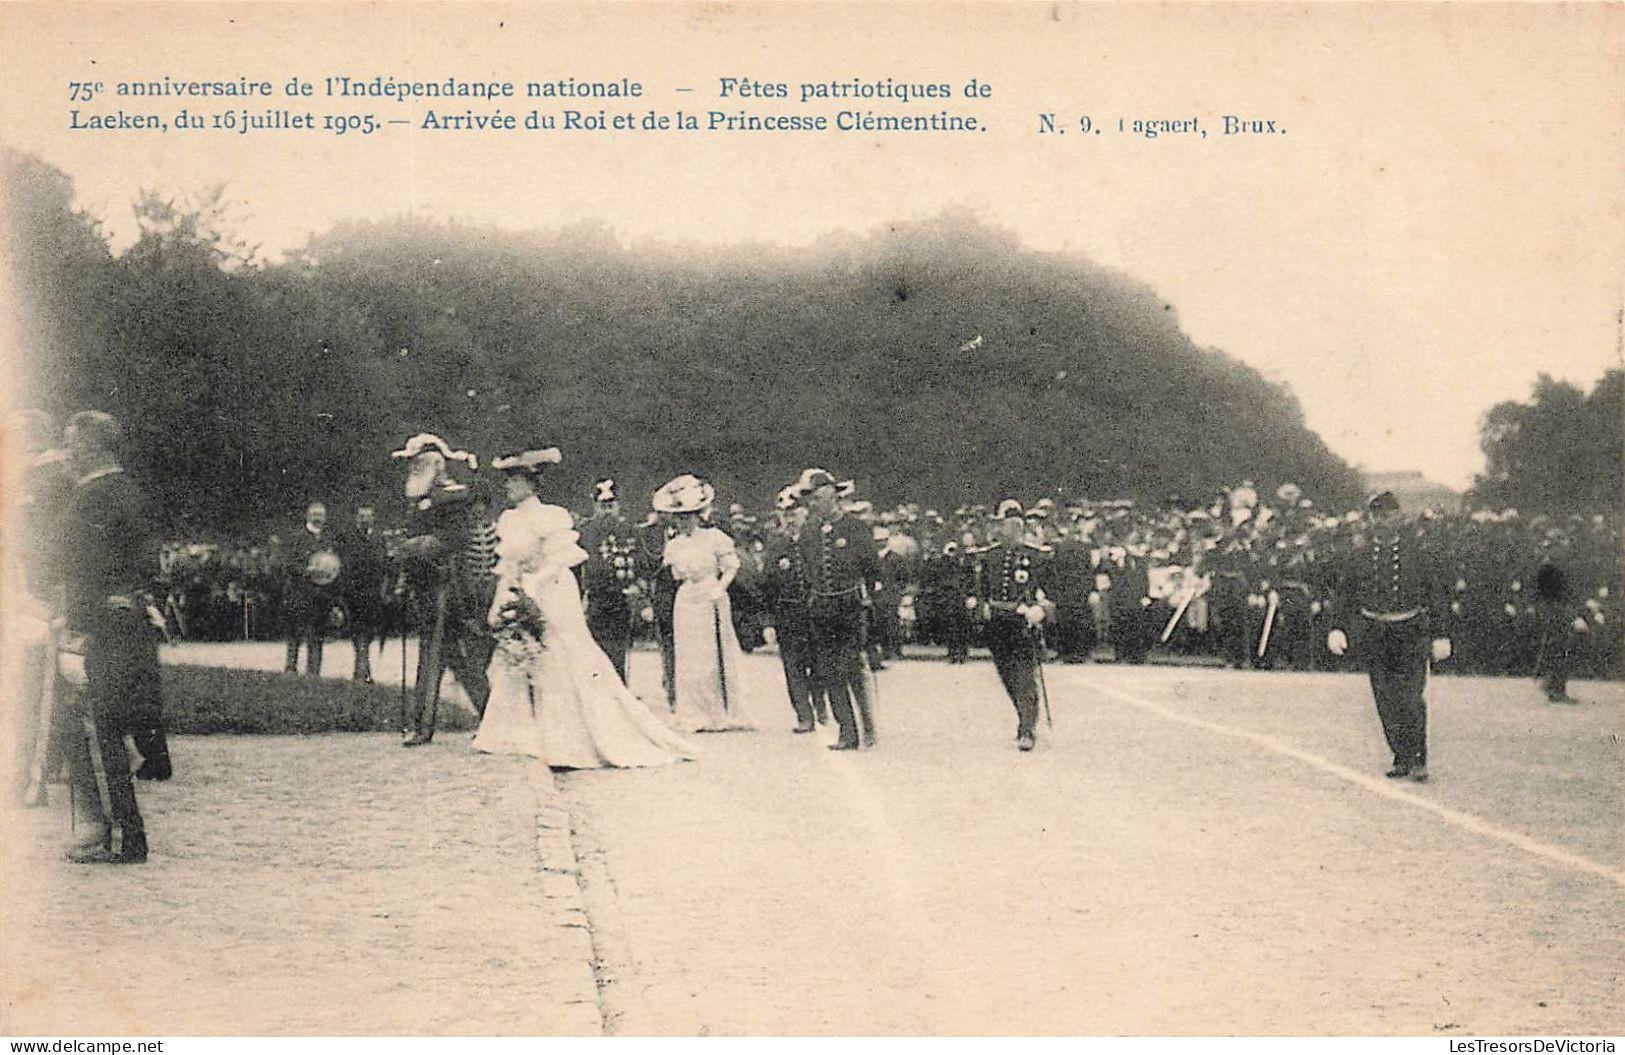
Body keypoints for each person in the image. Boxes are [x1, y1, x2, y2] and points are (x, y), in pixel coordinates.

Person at [473, 449, 696, 768]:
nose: (507, 486)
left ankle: (566, 737)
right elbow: (508, 565)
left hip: (552, 591)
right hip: (524, 591)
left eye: (513, 480)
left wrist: (534, 586)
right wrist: (501, 601)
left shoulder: (550, 516)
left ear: (529, 483)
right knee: (521, 654)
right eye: (506, 480)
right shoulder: (509, 520)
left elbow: (561, 558)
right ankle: (523, 733)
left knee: (560, 654)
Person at [57, 411, 161, 863]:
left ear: (95, 447)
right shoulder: (127, 491)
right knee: (109, 729)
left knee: (100, 730)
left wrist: (76, 617)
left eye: (73, 442)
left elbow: (82, 568)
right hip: (123, 620)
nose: (68, 452)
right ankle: (125, 833)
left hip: (99, 625)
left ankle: (121, 834)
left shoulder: (94, 497)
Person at [1326, 491, 1452, 782]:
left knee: (1411, 697)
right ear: (1370, 519)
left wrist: (1441, 635)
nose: (1382, 521)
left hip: (1410, 631)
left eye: (1387, 515)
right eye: (1376, 515)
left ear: (1398, 517)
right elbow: (1344, 594)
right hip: (1376, 633)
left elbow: (1436, 594)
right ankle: (1401, 755)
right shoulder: (1360, 555)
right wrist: (1336, 628)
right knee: (1385, 698)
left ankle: (1418, 758)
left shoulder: (1418, 552)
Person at [392, 433, 497, 747]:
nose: (412, 468)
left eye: (417, 462)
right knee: (457, 661)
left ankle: (423, 726)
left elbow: (453, 542)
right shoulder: (421, 498)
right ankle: (494, 717)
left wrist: (410, 547)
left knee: (435, 654)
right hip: (427, 589)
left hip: (446, 590)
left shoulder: (451, 498)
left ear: (434, 465)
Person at [657, 474, 760, 732]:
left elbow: (730, 567)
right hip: (686, 600)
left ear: (699, 515)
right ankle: (692, 712)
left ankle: (718, 712)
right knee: (689, 657)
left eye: (689, 515)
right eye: (680, 516)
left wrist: (719, 587)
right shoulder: (674, 544)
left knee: (711, 655)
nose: (684, 521)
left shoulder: (715, 537)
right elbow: (673, 575)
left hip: (710, 595)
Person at [795, 468, 880, 750]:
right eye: (811, 500)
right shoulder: (808, 531)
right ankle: (847, 731)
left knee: (850, 667)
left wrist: (867, 601)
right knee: (829, 671)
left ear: (833, 496)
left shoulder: (854, 527)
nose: (814, 504)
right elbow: (805, 568)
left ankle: (868, 727)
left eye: (818, 497)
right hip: (821, 608)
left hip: (850, 607)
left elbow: (872, 568)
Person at [968, 500, 1055, 752]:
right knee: (1007, 675)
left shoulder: (1035, 555)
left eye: (1016, 523)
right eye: (1006, 523)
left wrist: (1040, 609)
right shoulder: (991, 555)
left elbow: (1048, 590)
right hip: (998, 621)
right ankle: (1023, 717)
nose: (1011, 528)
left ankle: (1027, 728)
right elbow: (981, 588)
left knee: (1025, 675)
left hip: (1022, 620)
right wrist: (982, 606)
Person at [761, 481, 821, 732]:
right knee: (793, 667)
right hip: (787, 614)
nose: (790, 519)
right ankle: (803, 715)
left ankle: (820, 706)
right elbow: (767, 587)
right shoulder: (776, 546)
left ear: (805, 513)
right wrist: (767, 621)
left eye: (794, 513)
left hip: (816, 612)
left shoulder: (817, 541)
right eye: (785, 514)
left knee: (819, 663)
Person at [578, 478, 639, 683]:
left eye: (610, 506)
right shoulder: (585, 532)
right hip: (596, 598)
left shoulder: (628, 530)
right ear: (594, 506)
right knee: (594, 650)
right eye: (602, 506)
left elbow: (635, 563)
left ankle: (620, 690)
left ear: (618, 506)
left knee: (618, 650)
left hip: (621, 599)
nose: (606, 511)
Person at [282, 500, 340, 677]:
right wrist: (306, 571)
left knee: (316, 634)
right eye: (315, 515)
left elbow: (334, 566)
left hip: (321, 595)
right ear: (308, 516)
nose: (318, 518)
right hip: (300, 592)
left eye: (321, 515)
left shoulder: (328, 539)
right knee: (295, 633)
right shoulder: (297, 537)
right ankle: (290, 669)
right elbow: (289, 564)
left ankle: (313, 672)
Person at [339, 503, 390, 683]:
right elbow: (345, 567)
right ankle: (361, 673)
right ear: (356, 519)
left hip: (373, 594)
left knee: (367, 635)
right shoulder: (349, 539)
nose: (364, 520)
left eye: (368, 516)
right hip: (354, 595)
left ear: (373, 519)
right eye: (361, 517)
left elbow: (384, 566)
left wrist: (383, 590)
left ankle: (362, 671)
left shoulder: (379, 539)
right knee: (359, 633)